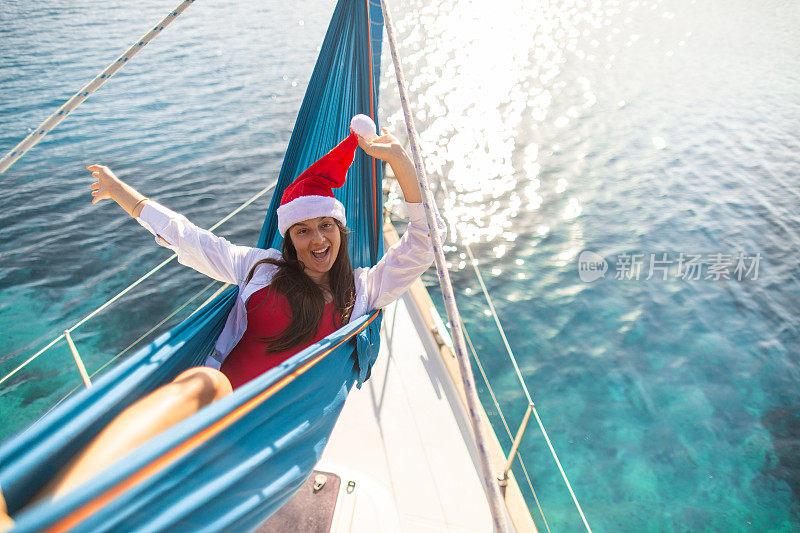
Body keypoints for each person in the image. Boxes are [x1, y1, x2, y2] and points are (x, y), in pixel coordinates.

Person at [0, 125, 444, 527]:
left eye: (326, 226)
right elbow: (189, 238)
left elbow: (424, 245)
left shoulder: (364, 291)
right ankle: (50, 515)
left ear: (341, 230)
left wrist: (402, 165)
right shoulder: (260, 269)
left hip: (275, 431)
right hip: (216, 411)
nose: (318, 239)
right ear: (288, 239)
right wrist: (121, 193)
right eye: (303, 230)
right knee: (200, 385)